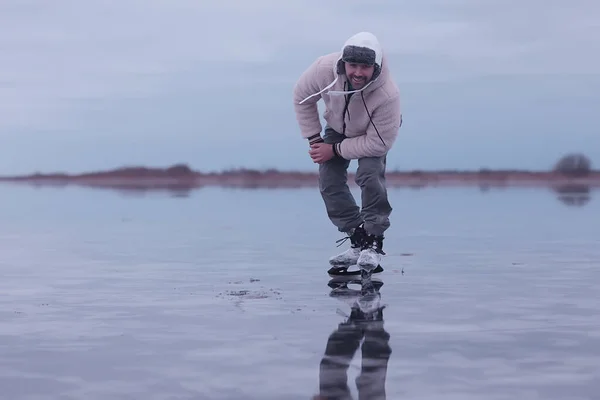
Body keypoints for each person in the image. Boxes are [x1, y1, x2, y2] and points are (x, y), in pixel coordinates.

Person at [292, 31, 402, 272]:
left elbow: (378, 144)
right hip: (336, 127)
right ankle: (358, 238)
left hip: (373, 134)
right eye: (353, 65)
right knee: (328, 180)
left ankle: (373, 242)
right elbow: (302, 97)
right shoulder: (323, 69)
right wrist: (314, 139)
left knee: (369, 176)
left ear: (376, 66)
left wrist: (334, 150)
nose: (358, 73)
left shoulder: (388, 95)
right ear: (343, 63)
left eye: (365, 67)